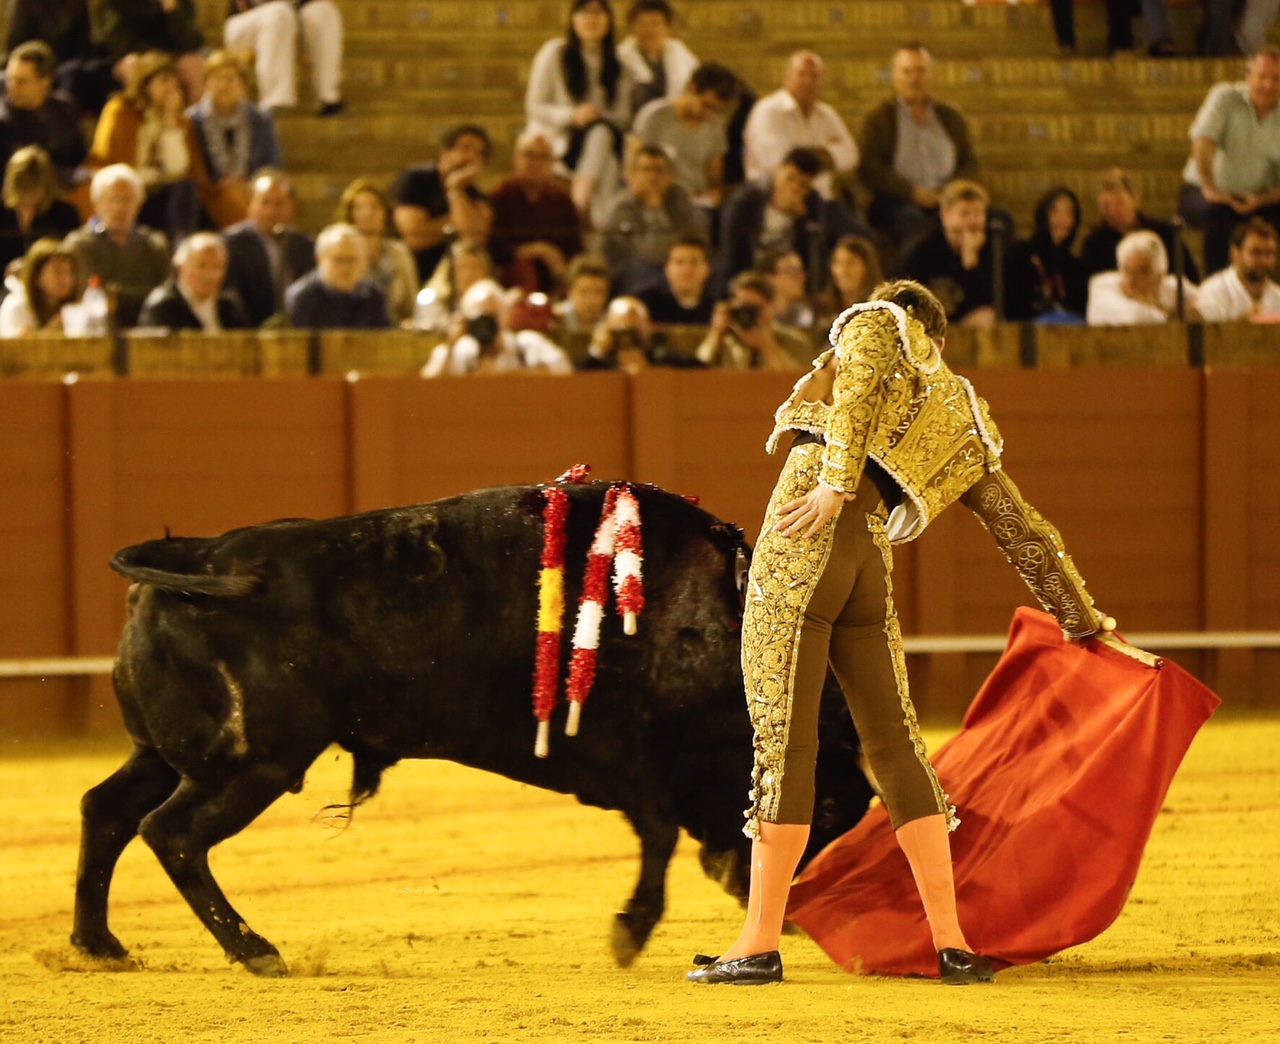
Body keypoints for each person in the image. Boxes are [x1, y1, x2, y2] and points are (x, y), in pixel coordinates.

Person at [686, 278, 1111, 986]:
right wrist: (1083, 619)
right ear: (941, 338)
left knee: (785, 746)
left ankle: (758, 942)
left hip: (802, 548)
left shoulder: (877, 325)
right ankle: (952, 943)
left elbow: (854, 390)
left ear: (910, 324)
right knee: (897, 747)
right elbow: (1021, 529)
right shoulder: (962, 414)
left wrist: (835, 482)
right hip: (868, 566)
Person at [524, 0, 636, 224]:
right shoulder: (555, 53)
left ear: (609, 20)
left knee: (602, 138)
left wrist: (598, 116)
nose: (592, 19)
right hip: (562, 136)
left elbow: (624, 116)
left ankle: (580, 209)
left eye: (599, 13)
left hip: (603, 136)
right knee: (607, 160)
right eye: (585, 13)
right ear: (573, 19)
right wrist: (572, 115)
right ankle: (588, 213)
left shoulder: (620, 64)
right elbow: (535, 105)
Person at [858, 43, 979, 249]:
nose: (914, 79)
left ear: (931, 75)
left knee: (999, 220)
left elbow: (969, 162)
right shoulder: (879, 118)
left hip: (949, 200)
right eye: (907, 72)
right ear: (895, 76)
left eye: (921, 71)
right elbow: (869, 168)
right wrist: (912, 192)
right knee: (916, 224)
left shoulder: (951, 118)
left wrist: (950, 193)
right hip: (898, 202)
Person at [1178, 47, 1280, 275]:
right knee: (1219, 215)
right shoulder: (1224, 96)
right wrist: (1211, 188)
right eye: (1262, 77)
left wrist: (1261, 199)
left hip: (1259, 197)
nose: (1268, 85)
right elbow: (1203, 142)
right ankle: (1217, 283)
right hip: (1204, 190)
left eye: (1276, 79)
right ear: (1248, 77)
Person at [716, 147, 871, 295]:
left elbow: (861, 236)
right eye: (790, 178)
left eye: (802, 185)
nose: (793, 187)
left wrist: (806, 223)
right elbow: (733, 253)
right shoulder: (746, 202)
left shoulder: (814, 207)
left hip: (793, 279)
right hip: (751, 276)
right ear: (778, 170)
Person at [88, 50, 208, 241]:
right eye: (163, 82)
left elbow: (179, 171)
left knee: (186, 189)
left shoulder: (181, 122)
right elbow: (111, 161)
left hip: (165, 191)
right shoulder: (121, 110)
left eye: (174, 84)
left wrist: (170, 123)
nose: (170, 89)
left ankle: (182, 244)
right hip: (130, 187)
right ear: (146, 84)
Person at [63, 162, 170, 327]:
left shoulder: (155, 246)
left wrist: (118, 296)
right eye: (113, 199)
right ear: (97, 204)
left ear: (139, 204)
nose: (120, 208)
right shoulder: (79, 246)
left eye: (127, 200)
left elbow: (165, 296)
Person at [187, 51, 283, 229]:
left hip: (251, 192)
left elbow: (272, 165)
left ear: (243, 85)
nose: (224, 85)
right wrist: (223, 187)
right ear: (206, 84)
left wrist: (249, 186)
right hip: (210, 195)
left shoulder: (261, 120)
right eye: (218, 79)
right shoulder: (192, 121)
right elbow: (193, 168)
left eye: (230, 79)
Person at [743, 50, 857, 201]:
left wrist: (802, 156)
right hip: (772, 199)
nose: (808, 81)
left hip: (820, 200)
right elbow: (779, 162)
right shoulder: (767, 111)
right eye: (801, 74)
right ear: (786, 78)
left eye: (814, 76)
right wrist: (826, 155)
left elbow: (851, 155)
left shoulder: (827, 115)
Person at [391, 123, 493, 283]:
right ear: (445, 152)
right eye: (465, 148)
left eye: (478, 153)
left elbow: (473, 239)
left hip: (456, 276)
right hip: (413, 271)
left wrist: (456, 190)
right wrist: (456, 225)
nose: (470, 157)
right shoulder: (416, 180)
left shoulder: (477, 195)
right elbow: (415, 236)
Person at [601, 143, 708, 292]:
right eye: (646, 170)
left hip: (677, 275)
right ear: (633, 175)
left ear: (671, 175)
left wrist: (655, 208)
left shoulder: (686, 206)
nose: (653, 177)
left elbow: (697, 245)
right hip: (632, 278)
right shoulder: (620, 209)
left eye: (659, 170)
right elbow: (615, 254)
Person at [487, 131, 583, 295]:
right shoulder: (501, 196)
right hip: (513, 278)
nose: (535, 163)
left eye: (543, 157)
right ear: (516, 158)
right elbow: (495, 247)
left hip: (556, 277)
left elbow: (574, 247)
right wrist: (539, 250)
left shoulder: (562, 201)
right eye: (529, 155)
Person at [630, 61, 737, 206]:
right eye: (706, 106)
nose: (709, 115)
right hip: (657, 199)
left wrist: (714, 194)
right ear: (692, 88)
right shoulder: (655, 116)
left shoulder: (715, 126)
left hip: (696, 203)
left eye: (716, 110)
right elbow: (633, 167)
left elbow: (714, 176)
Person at [421, 278, 573, 377]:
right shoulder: (460, 351)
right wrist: (451, 345)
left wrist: (506, 376)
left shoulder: (526, 345)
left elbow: (564, 371)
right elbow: (426, 388)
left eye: (493, 316)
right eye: (480, 317)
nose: (486, 324)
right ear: (468, 320)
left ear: (505, 316)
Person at [223, 168, 315, 326]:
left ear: (291, 206)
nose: (272, 211)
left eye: (280, 203)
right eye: (265, 202)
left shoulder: (304, 245)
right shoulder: (231, 244)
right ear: (250, 205)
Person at [901, 179, 996, 329]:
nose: (972, 221)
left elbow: (990, 301)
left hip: (968, 325)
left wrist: (970, 262)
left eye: (978, 213)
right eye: (964, 213)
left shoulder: (994, 248)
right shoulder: (923, 250)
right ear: (945, 216)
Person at [223, 0, 346, 116]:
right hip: (246, 22)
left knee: (322, 11)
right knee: (279, 12)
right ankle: (275, 99)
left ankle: (329, 96)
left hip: (290, 24)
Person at [1080, 167, 1200, 283]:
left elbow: (1188, 277)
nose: (1112, 211)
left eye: (1119, 203)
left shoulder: (1164, 234)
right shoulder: (1094, 244)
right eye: (1106, 205)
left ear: (1136, 200)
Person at [0, 40, 89, 192]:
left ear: (45, 81)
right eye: (10, 79)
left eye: (21, 81)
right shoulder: (3, 120)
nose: (13, 87)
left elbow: (79, 156)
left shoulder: (64, 109)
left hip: (65, 191)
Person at [335, 178, 419, 325]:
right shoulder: (342, 253)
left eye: (374, 207)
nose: (368, 213)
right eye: (360, 207)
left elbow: (410, 301)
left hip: (396, 328)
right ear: (350, 214)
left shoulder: (399, 253)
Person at [696, 270, 812, 371]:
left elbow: (800, 381)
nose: (747, 315)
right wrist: (716, 333)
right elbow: (698, 370)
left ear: (771, 307)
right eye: (743, 308)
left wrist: (767, 347)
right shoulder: (724, 339)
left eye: (753, 309)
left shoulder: (794, 341)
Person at [1004, 187, 1088, 323]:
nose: (1062, 219)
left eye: (1069, 213)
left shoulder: (1076, 267)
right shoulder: (1020, 254)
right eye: (1055, 211)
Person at [137, 230, 251, 330]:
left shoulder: (229, 306)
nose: (210, 275)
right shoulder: (163, 306)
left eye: (217, 267)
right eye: (202, 266)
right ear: (181, 266)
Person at [285, 222, 390, 328]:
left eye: (352, 260)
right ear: (319, 259)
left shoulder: (373, 296)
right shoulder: (303, 298)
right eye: (339, 260)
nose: (345, 267)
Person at [94, 0, 205, 102]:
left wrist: (172, 10)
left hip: (170, 54)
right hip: (134, 55)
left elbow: (191, 42)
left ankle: (190, 116)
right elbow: (118, 41)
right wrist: (152, 56)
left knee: (193, 63)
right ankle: (141, 114)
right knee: (133, 64)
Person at [1086, 229, 1199, 325]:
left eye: (1142, 273)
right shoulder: (1102, 286)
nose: (1132, 281)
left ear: (1161, 275)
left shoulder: (1172, 286)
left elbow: (1203, 306)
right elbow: (1135, 317)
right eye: (1127, 272)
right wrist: (1169, 314)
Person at [0, 145, 82, 275]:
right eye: (23, 189)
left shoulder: (65, 215)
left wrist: (32, 268)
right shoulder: (3, 213)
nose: (28, 196)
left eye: (34, 189)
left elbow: (73, 258)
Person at [1185, 217, 1280, 321]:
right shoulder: (1214, 291)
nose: (1263, 260)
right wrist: (1239, 324)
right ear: (1235, 252)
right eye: (1256, 252)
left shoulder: (1277, 295)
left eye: (1269, 253)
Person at [616, 0, 698, 111]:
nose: (649, 30)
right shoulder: (620, 58)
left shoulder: (681, 55)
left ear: (668, 28)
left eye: (655, 23)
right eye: (642, 24)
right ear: (632, 27)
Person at [0, 235, 80, 335]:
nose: (67, 279)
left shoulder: (71, 310)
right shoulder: (17, 306)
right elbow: (16, 343)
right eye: (58, 271)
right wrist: (50, 333)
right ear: (36, 275)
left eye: (69, 271)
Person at [637, 236, 714, 324]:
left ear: (708, 268)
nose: (686, 270)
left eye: (694, 262)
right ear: (667, 268)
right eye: (679, 262)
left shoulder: (718, 305)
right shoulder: (644, 303)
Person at [813, 234, 884, 329]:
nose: (842, 271)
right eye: (837, 262)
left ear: (867, 267)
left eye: (850, 263)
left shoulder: (879, 309)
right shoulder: (820, 309)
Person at [553, 252, 611, 333]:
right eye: (584, 292)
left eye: (599, 292)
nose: (591, 299)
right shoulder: (554, 318)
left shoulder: (611, 323)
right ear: (569, 291)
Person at [758, 248, 814, 329]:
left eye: (801, 271)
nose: (802, 278)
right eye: (793, 272)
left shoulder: (805, 315)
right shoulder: (760, 318)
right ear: (770, 278)